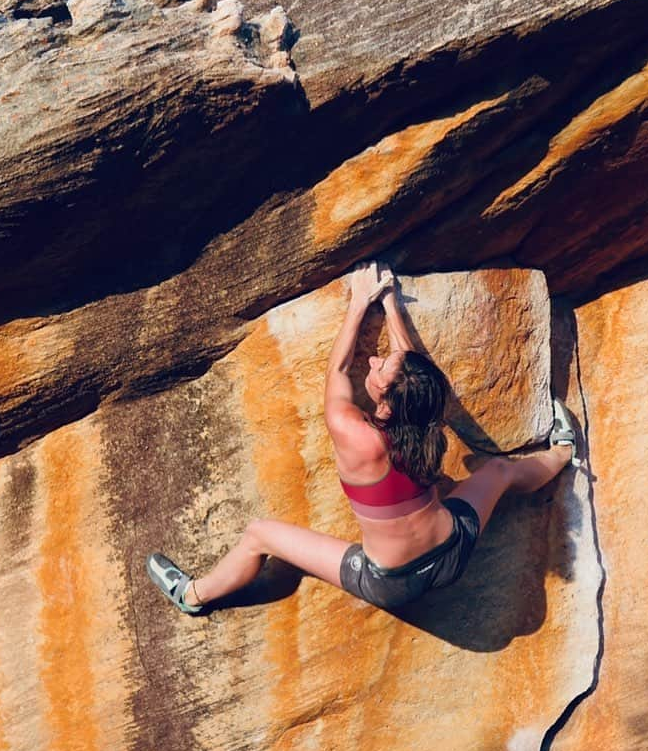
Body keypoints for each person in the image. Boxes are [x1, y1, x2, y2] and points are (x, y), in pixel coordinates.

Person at [147, 262, 576, 612]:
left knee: (260, 533)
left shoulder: (357, 435)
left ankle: (192, 596)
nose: (370, 362)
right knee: (500, 470)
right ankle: (564, 451)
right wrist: (391, 305)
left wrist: (358, 305)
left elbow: (336, 372)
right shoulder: (426, 418)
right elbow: (415, 371)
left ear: (386, 406)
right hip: (453, 553)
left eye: (377, 370)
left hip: (389, 582)